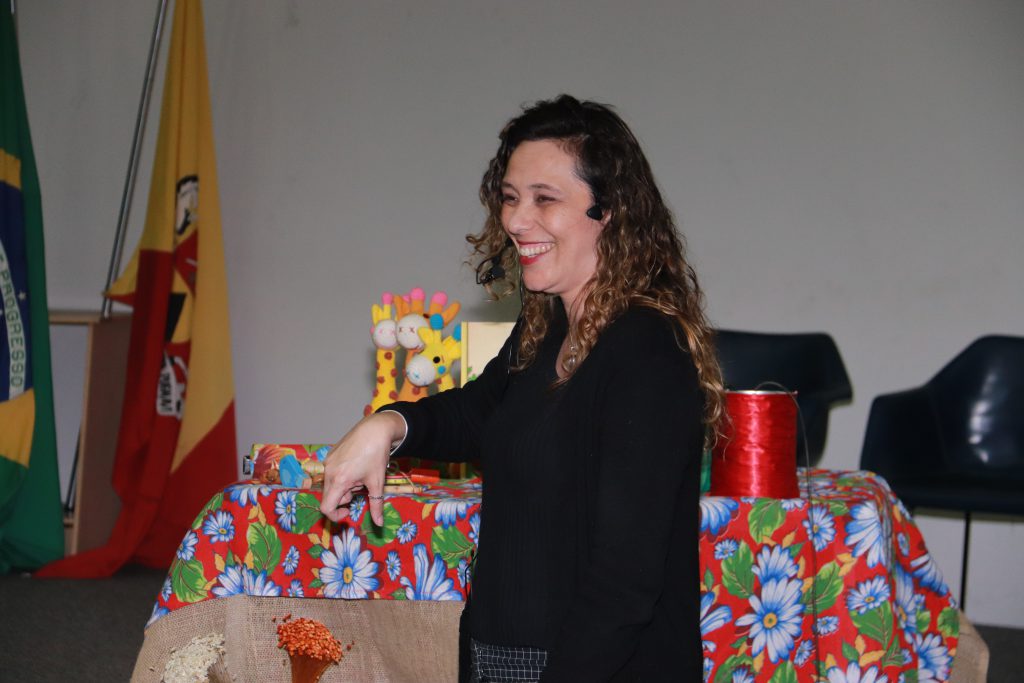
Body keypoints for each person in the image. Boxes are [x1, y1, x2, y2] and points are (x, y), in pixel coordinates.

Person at [320, 94, 723, 682]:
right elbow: (479, 413)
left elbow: (624, 586)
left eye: (544, 199)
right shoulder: (548, 324)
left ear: (610, 211)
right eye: (510, 197)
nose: (514, 220)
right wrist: (388, 424)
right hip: (504, 657)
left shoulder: (647, 354)